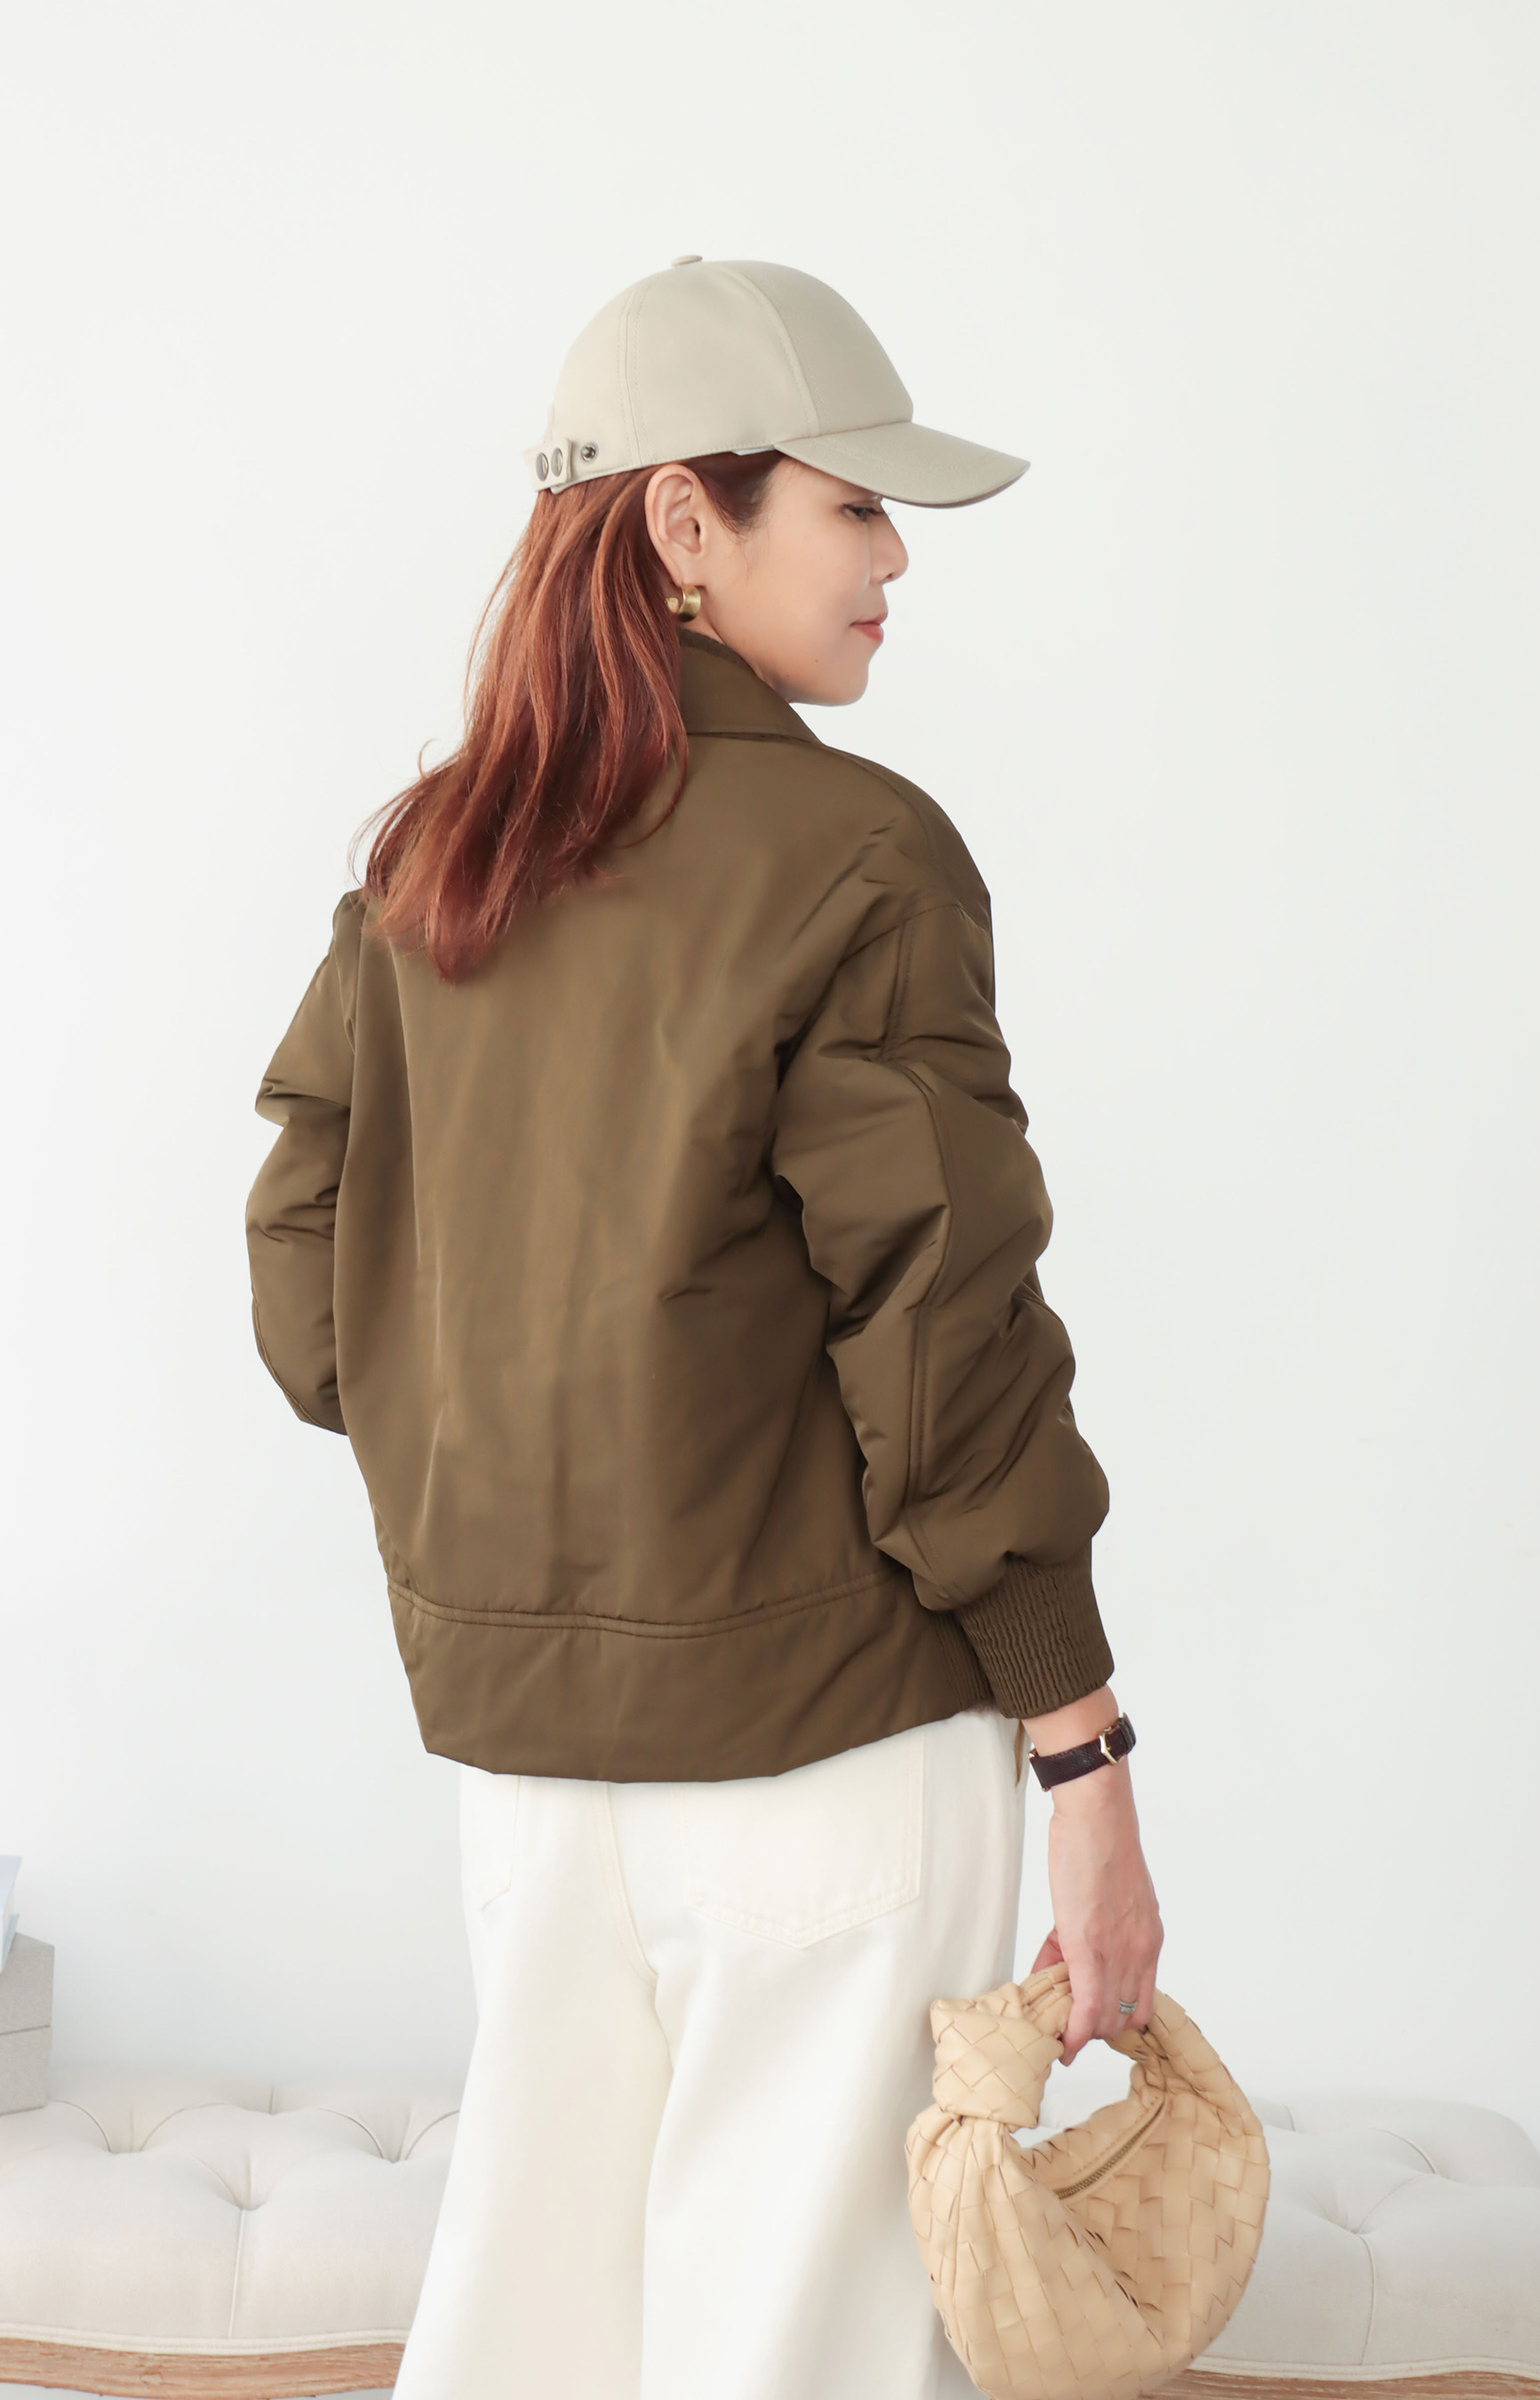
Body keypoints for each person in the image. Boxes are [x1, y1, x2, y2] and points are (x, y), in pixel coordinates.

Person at [246, 256, 1162, 2400]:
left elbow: (309, 1285)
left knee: (536, 2334)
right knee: (797, 2353)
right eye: (851, 504)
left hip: (528, 1780)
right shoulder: (861, 853)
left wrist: (514, 1476)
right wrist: (1084, 1751)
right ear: (684, 518)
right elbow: (946, 1332)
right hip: (831, 1761)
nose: (894, 557)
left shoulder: (431, 870)